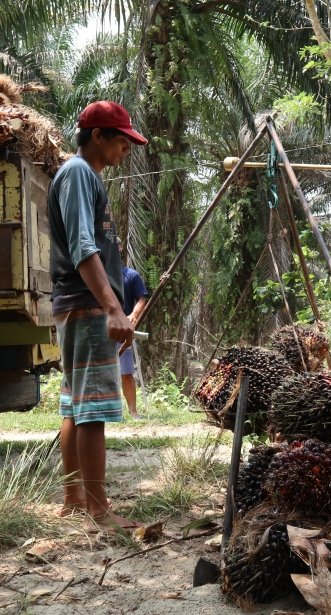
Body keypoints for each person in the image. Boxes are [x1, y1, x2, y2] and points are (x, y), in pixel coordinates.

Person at [48, 101, 148, 530]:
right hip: (86, 304)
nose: (127, 147)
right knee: (91, 408)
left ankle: (73, 499)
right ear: (98, 136)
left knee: (74, 404)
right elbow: (83, 248)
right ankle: (98, 507)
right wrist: (112, 307)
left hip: (78, 302)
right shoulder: (77, 173)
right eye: (121, 139)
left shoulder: (83, 176)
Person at [118, 261, 148, 418]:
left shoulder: (130, 275)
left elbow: (142, 298)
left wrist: (134, 315)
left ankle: (133, 412)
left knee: (126, 373)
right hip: (101, 331)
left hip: (123, 332)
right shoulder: (99, 273)